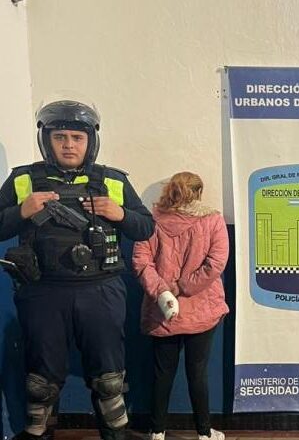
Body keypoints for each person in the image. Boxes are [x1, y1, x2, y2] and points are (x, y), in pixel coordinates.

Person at [0, 100, 154, 440]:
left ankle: (114, 435)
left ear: (90, 141)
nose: (69, 144)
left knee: (109, 380)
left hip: (101, 290)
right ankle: (38, 434)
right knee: (41, 381)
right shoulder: (24, 179)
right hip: (43, 292)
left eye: (77, 137)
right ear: (46, 140)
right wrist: (21, 211)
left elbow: (146, 228)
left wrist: (119, 214)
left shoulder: (112, 181)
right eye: (60, 137)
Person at [132, 172, 229, 440]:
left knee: (162, 374)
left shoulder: (151, 220)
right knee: (197, 373)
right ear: (198, 192)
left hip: (162, 311)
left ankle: (157, 432)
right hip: (202, 309)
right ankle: (204, 433)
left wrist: (163, 291)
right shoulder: (213, 220)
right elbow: (215, 264)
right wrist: (182, 287)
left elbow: (141, 262)